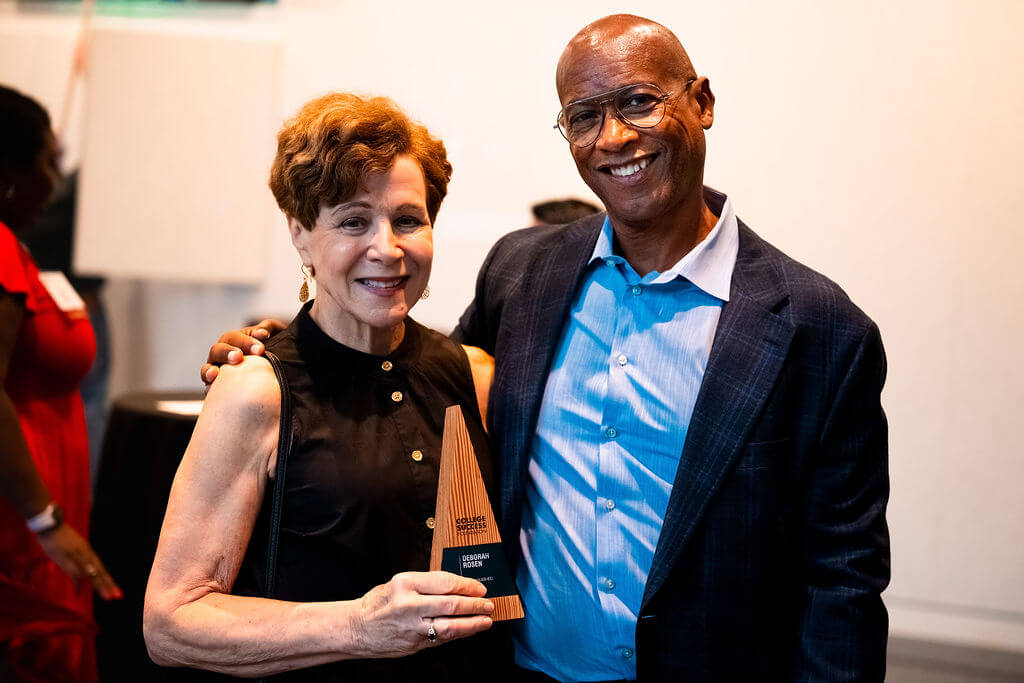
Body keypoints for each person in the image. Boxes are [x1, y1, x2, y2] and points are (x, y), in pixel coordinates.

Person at [207, 14, 889, 682]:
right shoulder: (523, 273)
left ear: (702, 101)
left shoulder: (819, 328)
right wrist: (282, 350)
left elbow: (844, 583)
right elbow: (417, 382)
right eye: (584, 116)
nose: (615, 137)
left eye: (639, 102)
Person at [144, 93, 500, 681]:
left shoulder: (471, 375)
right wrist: (359, 627)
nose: (386, 249)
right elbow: (170, 622)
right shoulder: (256, 390)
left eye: (408, 220)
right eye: (352, 221)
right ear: (301, 234)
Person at [0, 85, 121, 681]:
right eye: (47, 161)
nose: (55, 179)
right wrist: (44, 521)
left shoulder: (14, 249)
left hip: (38, 517)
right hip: (24, 523)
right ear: (8, 174)